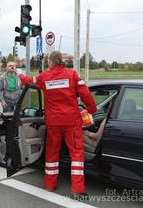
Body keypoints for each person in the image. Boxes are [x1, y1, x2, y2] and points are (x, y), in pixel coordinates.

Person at [25, 51, 97, 197]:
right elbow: (85, 93)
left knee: (52, 152)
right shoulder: (72, 74)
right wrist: (92, 110)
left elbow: (29, 81)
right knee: (76, 154)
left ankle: (50, 184)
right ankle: (77, 189)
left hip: (53, 122)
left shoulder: (44, 77)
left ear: (50, 62)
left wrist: (18, 75)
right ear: (61, 61)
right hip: (71, 121)